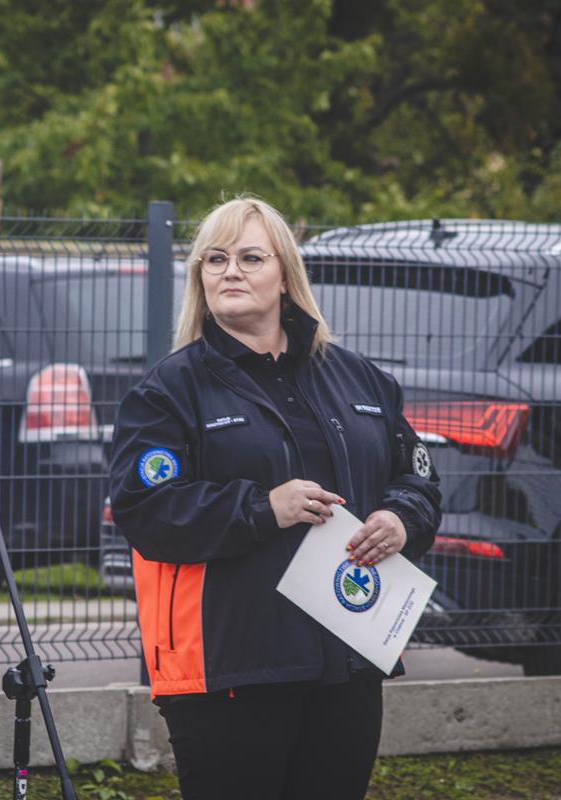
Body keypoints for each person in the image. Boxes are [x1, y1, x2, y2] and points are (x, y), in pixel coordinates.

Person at [109, 197, 441, 799]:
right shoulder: (169, 391)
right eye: (215, 260)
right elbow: (146, 512)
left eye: (250, 258)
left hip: (348, 661)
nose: (230, 271)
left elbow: (418, 478)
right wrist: (264, 508)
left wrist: (400, 517)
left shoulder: (361, 378)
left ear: (285, 275)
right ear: (200, 278)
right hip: (232, 670)